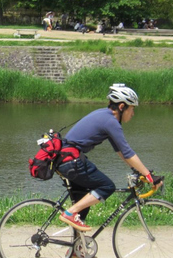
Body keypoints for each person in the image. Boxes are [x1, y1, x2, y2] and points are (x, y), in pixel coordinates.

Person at [57, 84, 161, 232]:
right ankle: (69, 213)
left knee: (83, 204)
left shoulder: (105, 116)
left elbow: (120, 150)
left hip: (66, 160)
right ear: (122, 106)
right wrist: (149, 176)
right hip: (71, 161)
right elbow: (128, 152)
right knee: (107, 186)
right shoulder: (110, 122)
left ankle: (77, 249)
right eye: (132, 109)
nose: (133, 114)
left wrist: (136, 170)